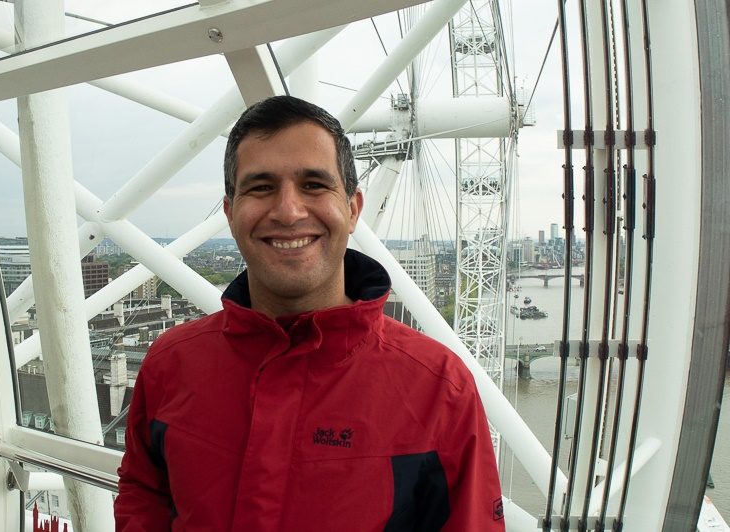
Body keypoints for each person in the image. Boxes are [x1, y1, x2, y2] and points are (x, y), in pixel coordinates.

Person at [114, 95, 504, 531]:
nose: (288, 211)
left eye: (314, 185)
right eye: (261, 187)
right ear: (230, 213)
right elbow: (144, 492)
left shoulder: (440, 390)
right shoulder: (170, 364)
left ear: (353, 209)